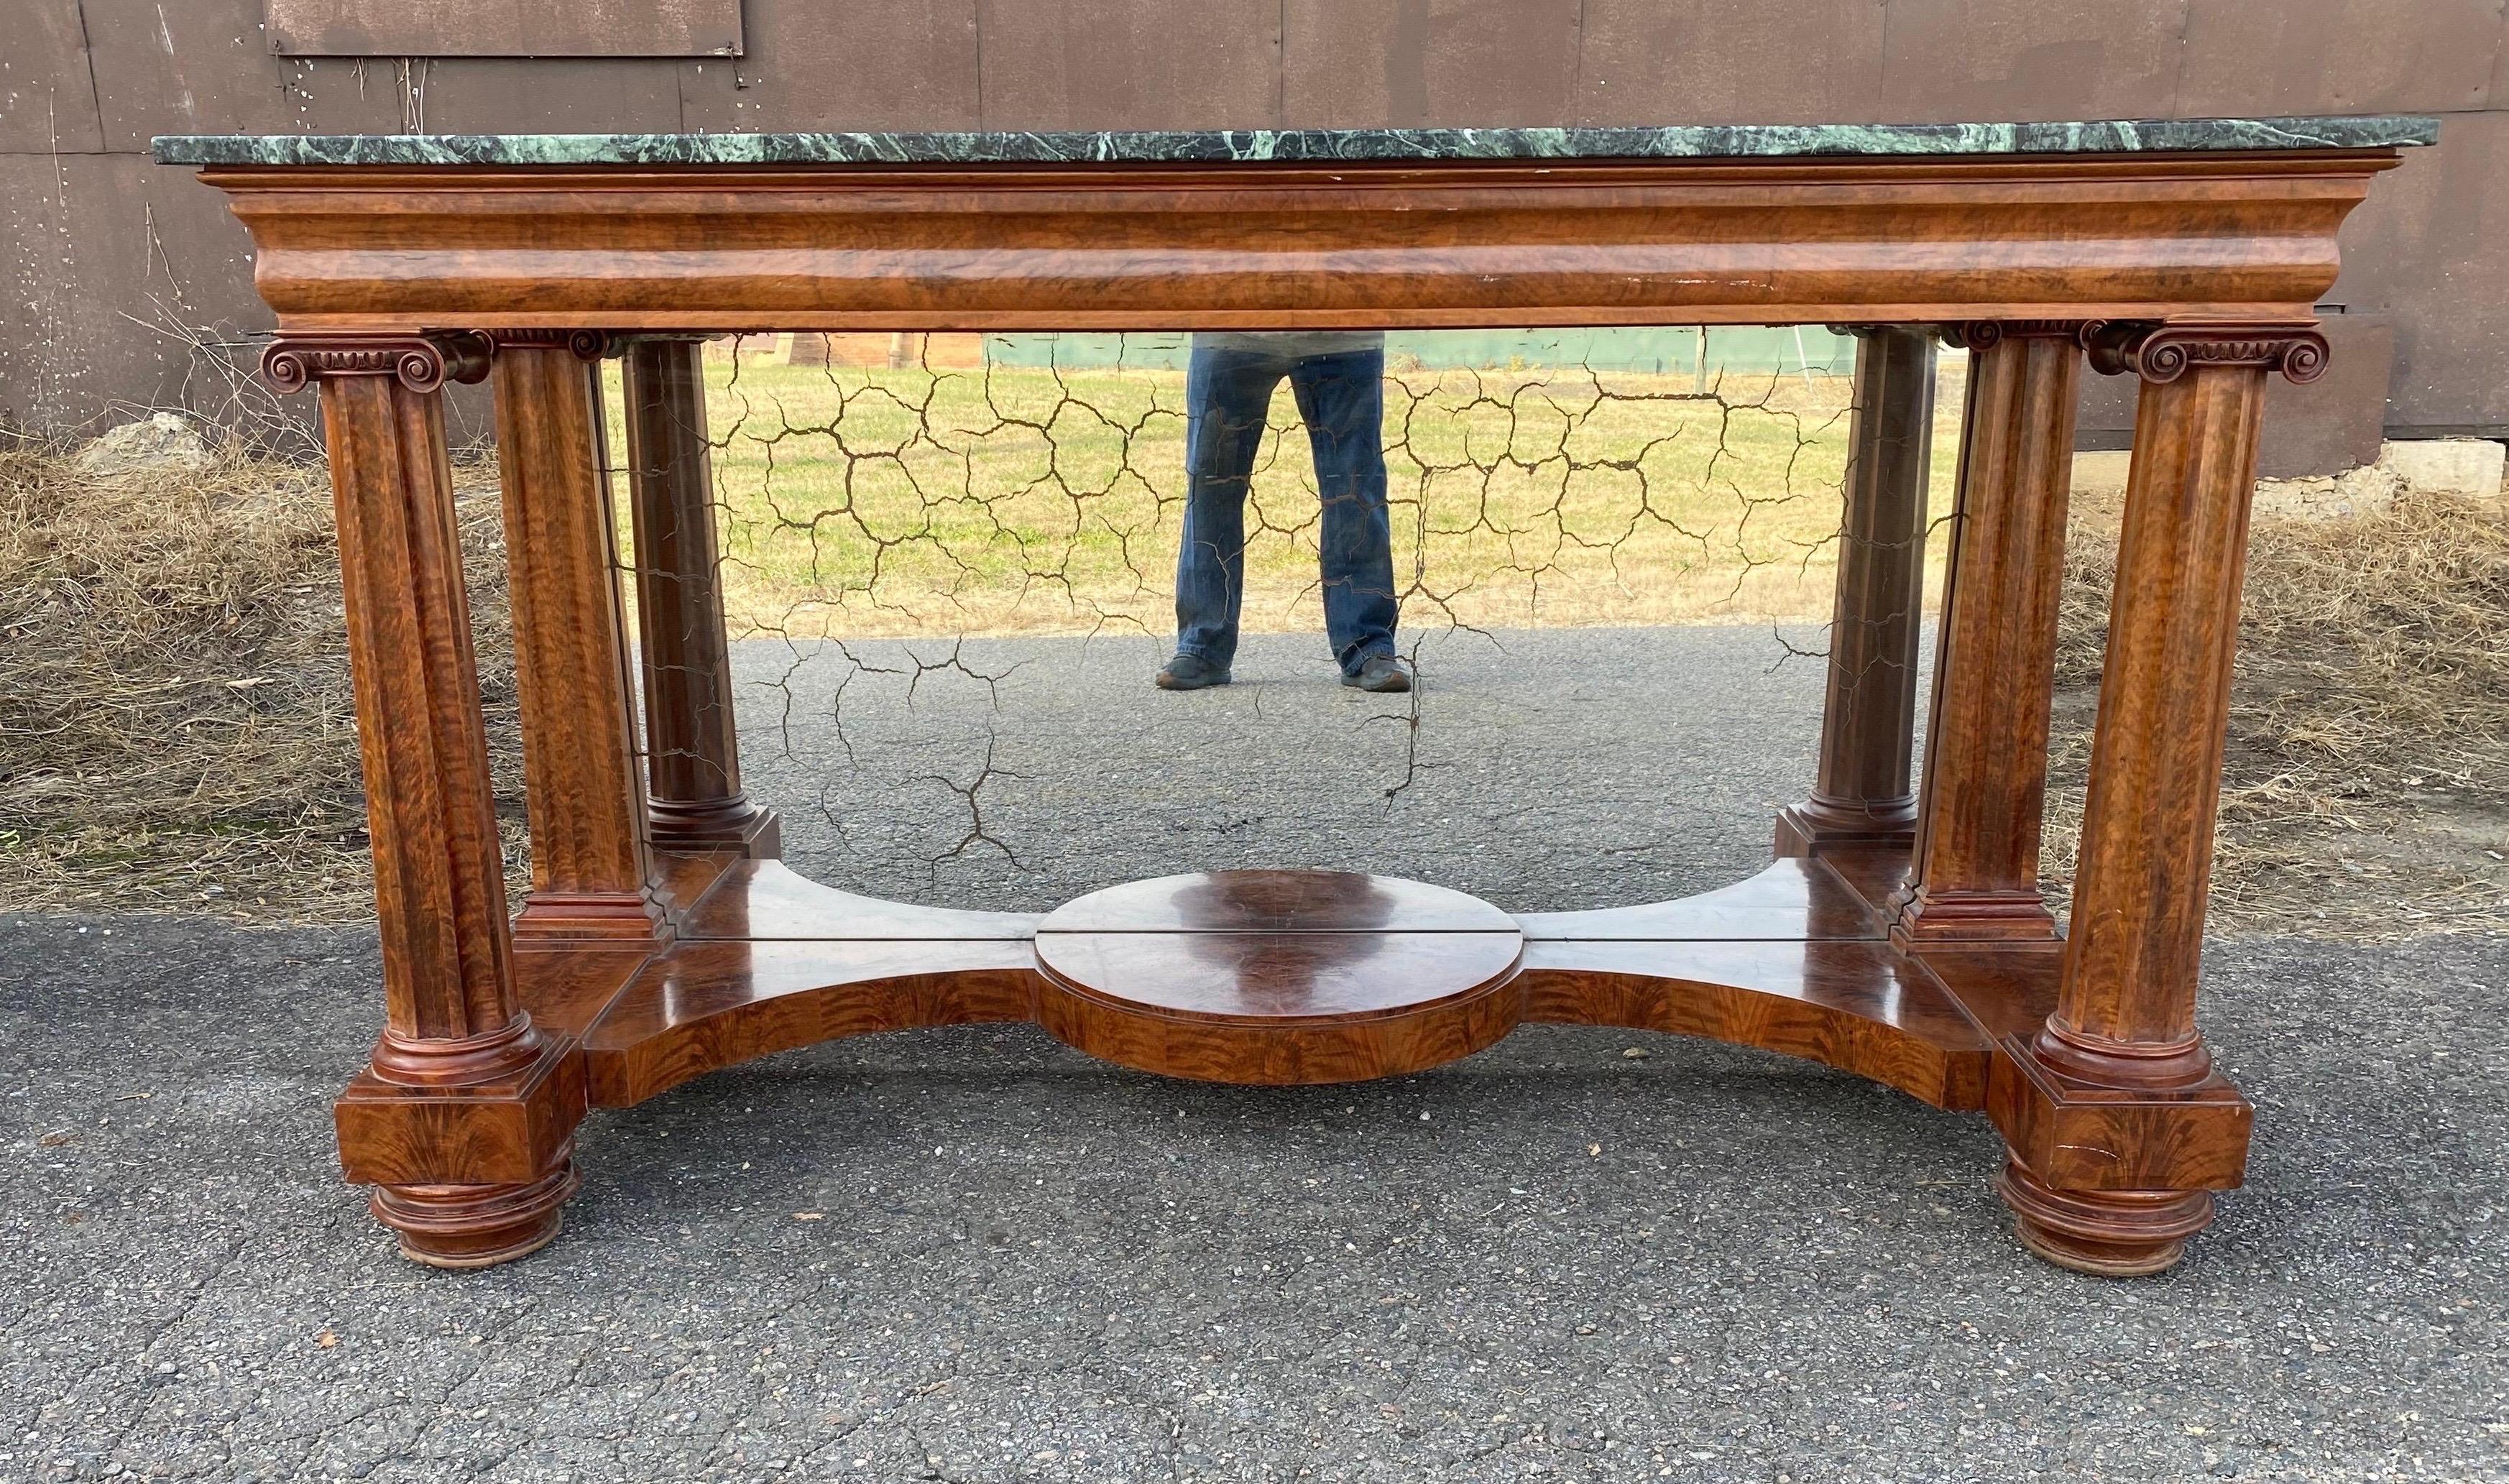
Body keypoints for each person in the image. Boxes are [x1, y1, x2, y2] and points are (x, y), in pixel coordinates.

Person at [1154, 331, 1409, 693]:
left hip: (1345, 327)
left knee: (1356, 490)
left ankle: (1368, 646)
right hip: (1229, 324)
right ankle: (1202, 645)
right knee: (1211, 487)